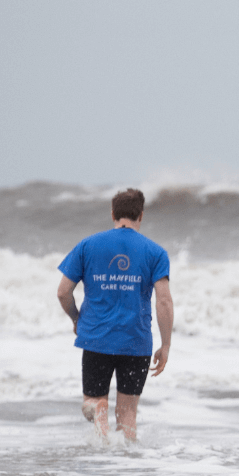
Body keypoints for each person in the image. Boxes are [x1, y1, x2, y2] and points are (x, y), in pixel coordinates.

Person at [55, 187, 173, 443]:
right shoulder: (155, 252)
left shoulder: (88, 245)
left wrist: (76, 318)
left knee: (94, 402)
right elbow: (163, 301)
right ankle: (125, 470)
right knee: (128, 413)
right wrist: (165, 344)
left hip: (97, 339)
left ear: (112, 214)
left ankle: (97, 422)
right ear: (141, 215)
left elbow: (63, 292)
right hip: (136, 342)